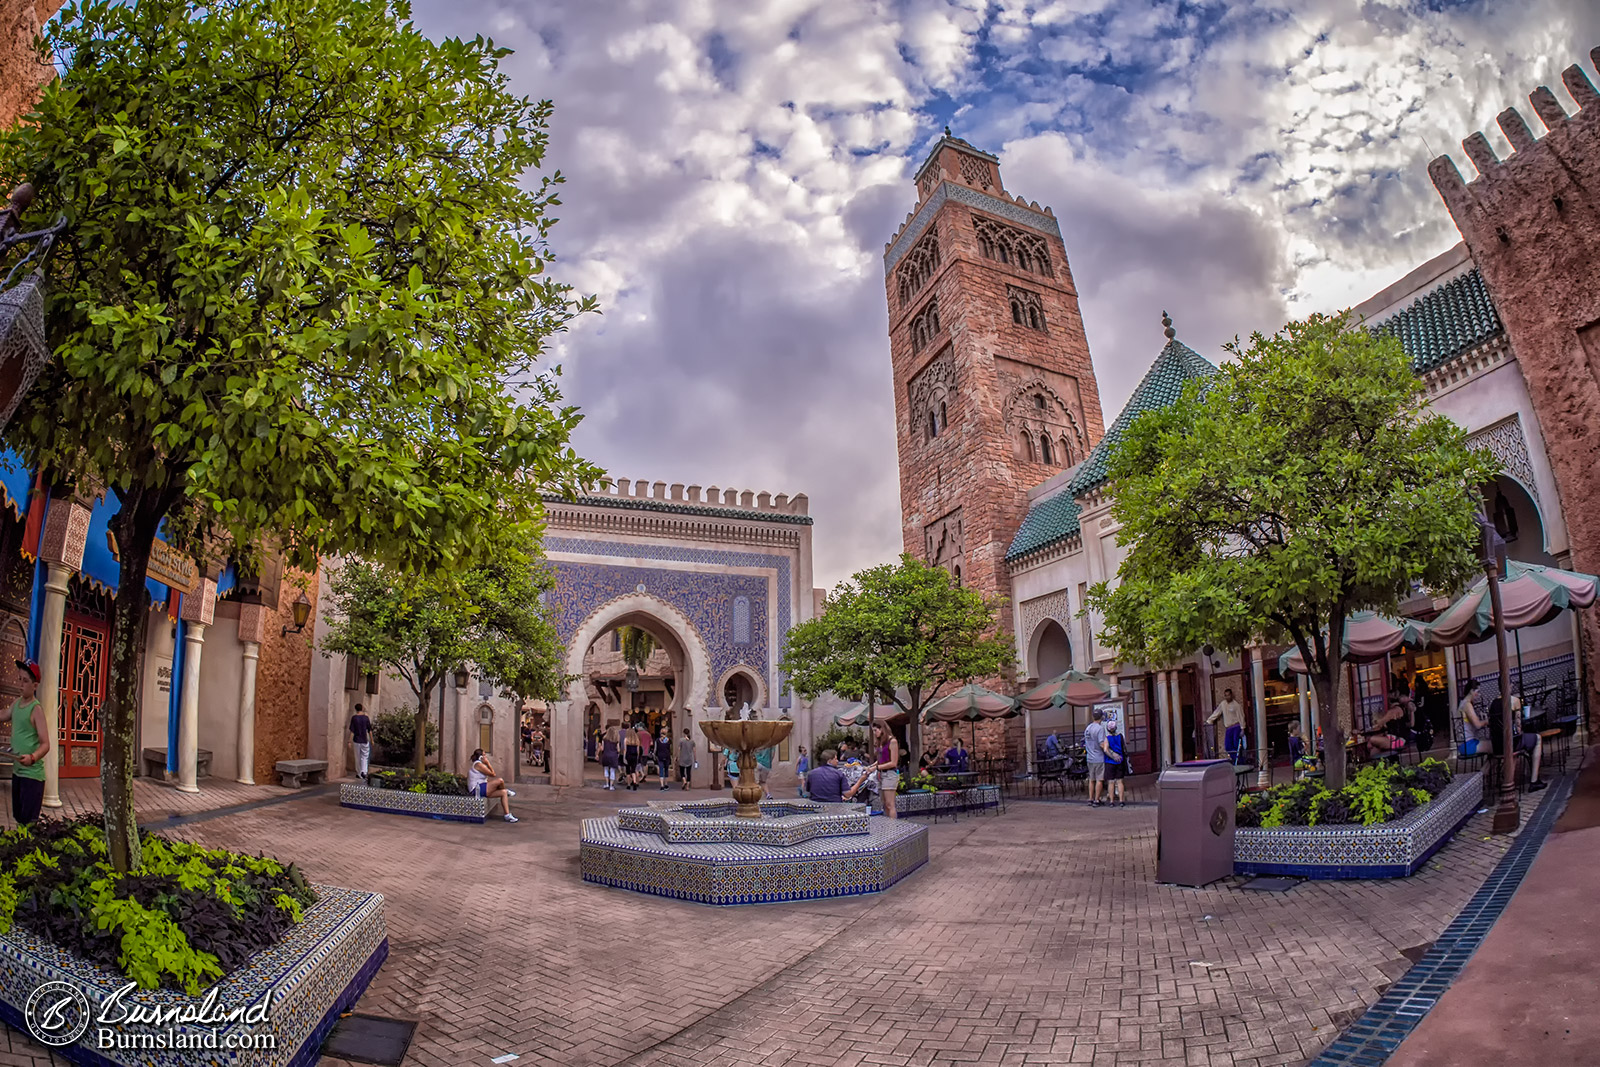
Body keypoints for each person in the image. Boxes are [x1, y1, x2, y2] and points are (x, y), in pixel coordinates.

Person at [7, 660, 48, 827]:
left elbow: (46, 744)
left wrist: (32, 757)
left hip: (32, 777)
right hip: (18, 773)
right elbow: (3, 715)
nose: (21, 684)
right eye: (19, 679)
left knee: (29, 824)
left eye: (25, 681)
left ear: (35, 685)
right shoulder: (16, 704)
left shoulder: (36, 709)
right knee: (18, 818)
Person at [1488, 693, 1546, 791]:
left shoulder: (1493, 704)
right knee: (1537, 738)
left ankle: (1504, 779)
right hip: (1512, 744)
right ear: (1509, 686)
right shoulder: (1514, 700)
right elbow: (1518, 726)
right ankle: (1534, 780)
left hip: (1497, 746)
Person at [468, 749, 517, 823]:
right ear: (481, 757)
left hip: (482, 787)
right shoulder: (478, 765)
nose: (485, 756)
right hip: (476, 790)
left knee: (503, 793)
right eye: (484, 755)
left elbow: (486, 780)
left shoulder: (479, 764)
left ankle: (507, 815)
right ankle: (507, 790)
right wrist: (488, 763)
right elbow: (493, 774)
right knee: (500, 780)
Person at [867, 722, 900, 819]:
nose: (875, 733)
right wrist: (871, 766)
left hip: (890, 774)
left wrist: (876, 768)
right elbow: (881, 759)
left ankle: (893, 826)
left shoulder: (892, 741)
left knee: (890, 804)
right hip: (881, 775)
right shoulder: (881, 742)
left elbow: (893, 762)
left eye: (875, 730)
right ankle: (888, 823)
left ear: (882, 729)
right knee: (884, 803)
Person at [1208, 688, 1245, 762]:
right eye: (1225, 696)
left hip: (1236, 726)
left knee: (1236, 745)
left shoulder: (1236, 705)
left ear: (1231, 695)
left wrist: (1243, 728)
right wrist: (1209, 720)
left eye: (1228, 695)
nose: (1227, 697)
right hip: (1228, 728)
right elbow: (1217, 712)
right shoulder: (1223, 704)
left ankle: (1239, 762)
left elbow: (1241, 716)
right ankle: (1235, 760)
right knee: (1228, 746)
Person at [1083, 709, 1108, 807]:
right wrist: (1109, 750)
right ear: (1101, 717)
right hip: (1098, 757)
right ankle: (1097, 800)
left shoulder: (1088, 728)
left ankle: (1090, 798)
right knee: (1099, 779)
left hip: (1090, 757)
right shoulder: (1100, 728)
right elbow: (1101, 743)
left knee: (1091, 779)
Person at [1101, 720, 1126, 807]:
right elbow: (1124, 748)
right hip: (1120, 761)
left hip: (1109, 762)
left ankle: (1111, 801)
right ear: (1115, 728)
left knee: (1111, 782)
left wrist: (1112, 756)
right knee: (1120, 781)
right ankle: (1121, 800)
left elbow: (1105, 750)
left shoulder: (1107, 738)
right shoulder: (1120, 736)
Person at [348, 702, 373, 779]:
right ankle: (364, 771)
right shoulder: (366, 718)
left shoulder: (354, 718)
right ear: (362, 708)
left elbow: (352, 731)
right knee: (365, 756)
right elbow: (369, 730)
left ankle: (359, 772)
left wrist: (349, 741)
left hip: (356, 740)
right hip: (364, 740)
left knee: (357, 756)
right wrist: (372, 740)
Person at [599, 723, 621, 789]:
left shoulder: (604, 739)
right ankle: (611, 785)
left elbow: (602, 748)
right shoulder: (616, 740)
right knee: (612, 770)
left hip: (605, 755)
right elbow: (618, 750)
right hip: (613, 756)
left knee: (606, 770)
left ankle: (606, 784)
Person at [622, 724, 642, 790]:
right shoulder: (637, 740)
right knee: (633, 770)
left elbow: (625, 749)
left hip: (628, 755)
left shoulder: (626, 740)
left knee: (628, 770)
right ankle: (634, 782)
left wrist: (624, 757)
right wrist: (637, 756)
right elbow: (638, 750)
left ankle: (628, 784)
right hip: (634, 755)